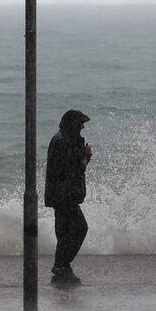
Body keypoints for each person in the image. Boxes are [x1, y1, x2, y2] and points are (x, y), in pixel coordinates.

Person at [44, 108, 93, 285]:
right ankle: (61, 264)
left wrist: (83, 156)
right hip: (65, 195)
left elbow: (70, 167)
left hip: (60, 195)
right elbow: (72, 170)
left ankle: (62, 265)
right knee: (79, 228)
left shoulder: (62, 139)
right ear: (73, 125)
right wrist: (86, 157)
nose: (82, 128)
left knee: (65, 232)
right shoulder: (64, 142)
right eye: (81, 125)